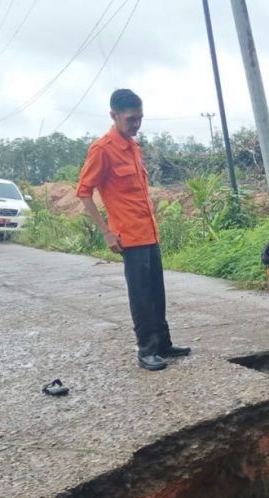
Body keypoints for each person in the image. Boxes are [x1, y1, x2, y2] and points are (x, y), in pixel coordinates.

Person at [76, 89, 190, 370]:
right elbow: (83, 192)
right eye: (130, 119)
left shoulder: (134, 146)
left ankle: (163, 343)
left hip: (149, 233)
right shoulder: (103, 149)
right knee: (141, 296)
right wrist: (106, 231)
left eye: (139, 118)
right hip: (129, 236)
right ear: (114, 116)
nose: (136, 124)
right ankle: (146, 350)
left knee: (157, 293)